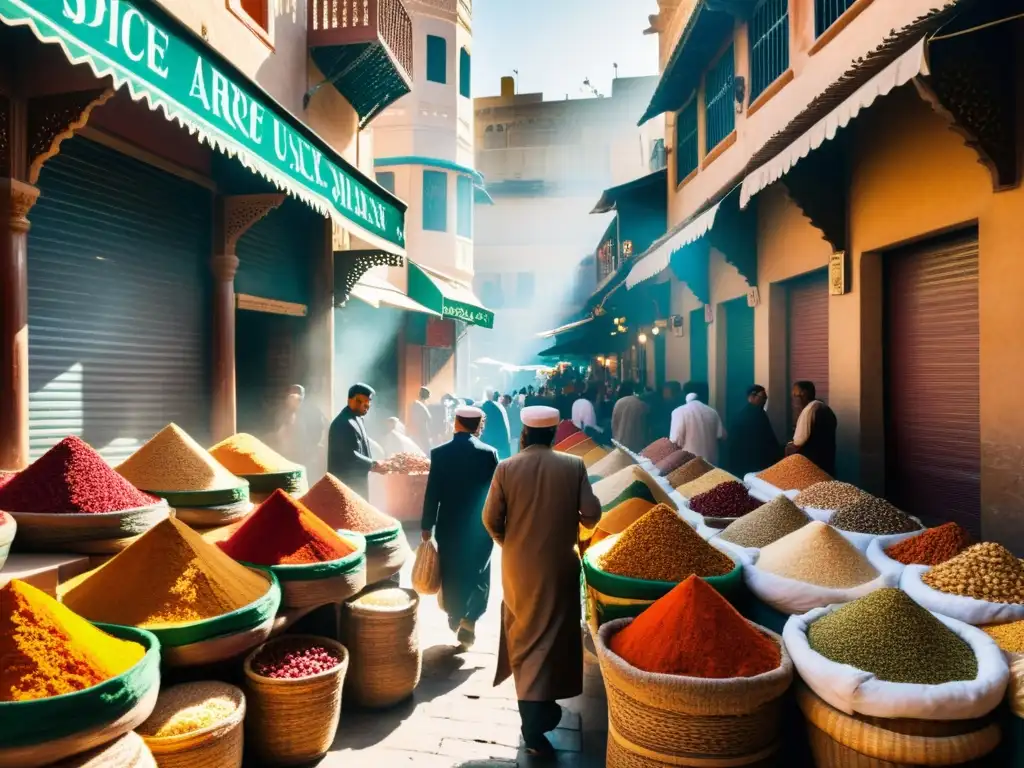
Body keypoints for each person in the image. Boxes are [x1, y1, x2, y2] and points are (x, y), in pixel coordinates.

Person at [482, 405, 601, 758]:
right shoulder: (573, 465)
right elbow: (592, 514)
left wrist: (511, 544)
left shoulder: (506, 467)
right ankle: (539, 718)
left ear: (524, 434)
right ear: (553, 435)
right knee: (553, 634)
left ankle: (536, 720)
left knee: (524, 633)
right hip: (559, 565)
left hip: (518, 566)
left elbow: (491, 520)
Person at [421, 406, 499, 649]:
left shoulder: (440, 453)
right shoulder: (490, 454)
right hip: (480, 526)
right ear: (479, 426)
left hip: (449, 525)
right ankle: (471, 620)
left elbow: (432, 492)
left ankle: (456, 616)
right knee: (478, 571)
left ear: (456, 423)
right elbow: (497, 493)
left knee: (452, 571)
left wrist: (427, 525)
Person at [327, 383, 378, 499]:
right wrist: (373, 465)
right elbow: (349, 456)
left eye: (368, 402)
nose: (366, 405)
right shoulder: (343, 423)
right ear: (351, 400)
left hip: (358, 482)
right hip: (345, 484)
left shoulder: (358, 419)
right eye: (362, 401)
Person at [273, 384, 328, 477]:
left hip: (306, 455)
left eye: (298, 395)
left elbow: (321, 429)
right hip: (288, 456)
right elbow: (279, 432)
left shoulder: (312, 411)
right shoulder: (283, 413)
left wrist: (314, 448)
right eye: (291, 394)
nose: (294, 398)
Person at [727, 385, 781, 476]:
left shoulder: (740, 414)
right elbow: (769, 438)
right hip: (756, 462)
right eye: (763, 398)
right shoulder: (758, 414)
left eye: (766, 398)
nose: (764, 401)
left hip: (741, 463)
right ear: (752, 396)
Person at [787, 381, 837, 475]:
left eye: (795, 395)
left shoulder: (810, 410)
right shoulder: (824, 408)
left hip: (813, 464)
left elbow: (799, 441)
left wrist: (790, 447)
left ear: (804, 394)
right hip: (827, 462)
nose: (794, 399)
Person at [669, 382, 726, 464]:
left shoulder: (679, 412)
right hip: (711, 463)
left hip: (689, 464)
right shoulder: (712, 412)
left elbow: (675, 441)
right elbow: (721, 436)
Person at [611, 381, 650, 453]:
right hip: (636, 448)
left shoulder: (618, 402)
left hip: (618, 445)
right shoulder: (642, 405)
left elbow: (614, 424)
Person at [480, 388, 512, 459]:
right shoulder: (500, 407)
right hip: (500, 442)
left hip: (487, 441)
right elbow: (506, 425)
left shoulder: (482, 407)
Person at [409, 386, 433, 452]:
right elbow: (428, 417)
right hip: (421, 428)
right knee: (424, 446)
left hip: (422, 428)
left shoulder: (422, 404)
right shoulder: (417, 404)